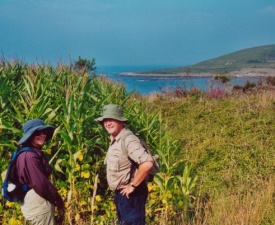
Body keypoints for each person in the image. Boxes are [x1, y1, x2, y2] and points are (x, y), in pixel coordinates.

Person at [96, 104, 153, 225]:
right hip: (122, 196)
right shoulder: (116, 140)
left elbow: (147, 163)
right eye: (105, 120)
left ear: (121, 121)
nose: (108, 123)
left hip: (132, 195)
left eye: (112, 119)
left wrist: (132, 185)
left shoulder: (128, 139)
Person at [16, 119, 64, 225]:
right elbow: (40, 183)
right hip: (38, 201)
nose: (42, 135)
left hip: (33, 200)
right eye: (38, 132)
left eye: (44, 132)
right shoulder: (30, 156)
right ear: (30, 135)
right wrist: (56, 199)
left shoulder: (26, 152)